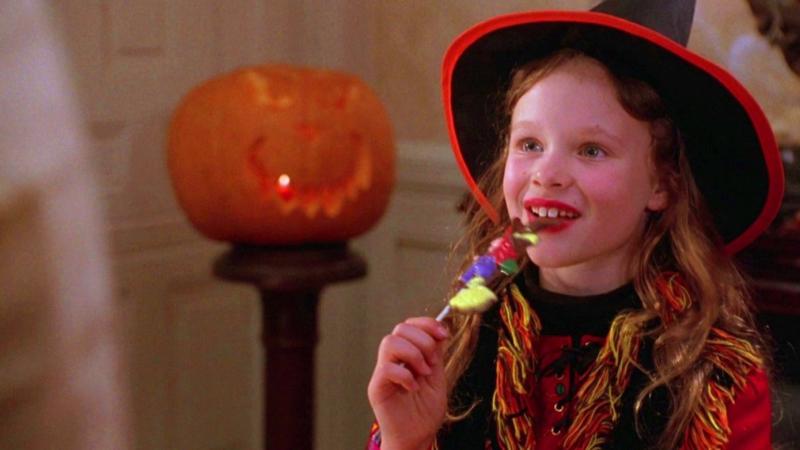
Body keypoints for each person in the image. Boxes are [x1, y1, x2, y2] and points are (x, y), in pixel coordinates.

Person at [366, 0, 784, 449]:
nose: (546, 174)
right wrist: (405, 439)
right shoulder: (456, 350)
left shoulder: (716, 379)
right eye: (530, 144)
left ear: (662, 184)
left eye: (591, 150)